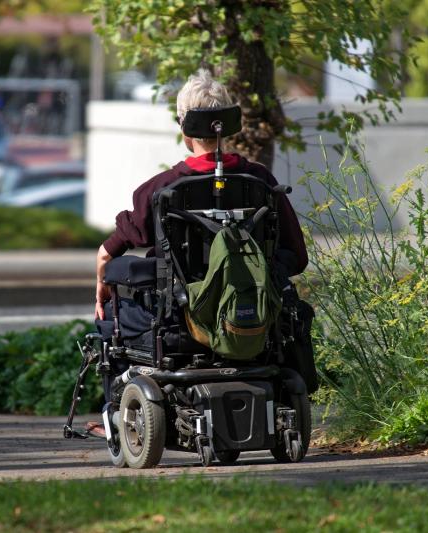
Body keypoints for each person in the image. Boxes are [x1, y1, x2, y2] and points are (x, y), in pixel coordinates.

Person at [86, 69, 308, 437]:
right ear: (230, 124)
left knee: (111, 313)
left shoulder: (161, 189)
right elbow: (297, 257)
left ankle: (114, 416)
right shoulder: (261, 184)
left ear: (184, 127)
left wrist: (102, 285)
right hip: (251, 315)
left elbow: (106, 256)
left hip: (180, 318)